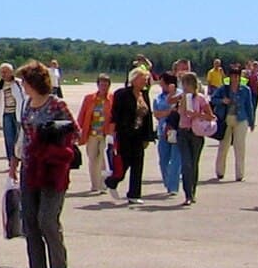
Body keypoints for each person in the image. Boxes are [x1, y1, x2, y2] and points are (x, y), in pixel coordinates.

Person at [10, 61, 74, 268]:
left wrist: (54, 132)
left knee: (47, 219)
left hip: (52, 170)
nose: (22, 85)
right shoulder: (27, 104)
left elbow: (75, 131)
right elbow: (23, 135)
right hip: (30, 167)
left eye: (25, 81)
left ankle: (59, 263)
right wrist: (14, 161)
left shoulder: (57, 104)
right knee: (30, 222)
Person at [110, 67, 155, 204]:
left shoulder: (144, 94)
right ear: (134, 79)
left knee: (138, 164)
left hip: (139, 135)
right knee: (124, 163)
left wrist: (148, 136)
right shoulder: (122, 94)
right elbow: (115, 114)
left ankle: (134, 194)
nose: (145, 82)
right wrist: (112, 133)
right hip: (125, 134)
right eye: (143, 79)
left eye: (146, 79)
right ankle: (111, 181)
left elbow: (148, 116)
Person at [173, 71, 212, 206]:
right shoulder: (182, 98)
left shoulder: (201, 98)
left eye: (188, 84)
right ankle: (187, 194)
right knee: (186, 163)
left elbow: (210, 116)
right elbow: (180, 113)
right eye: (183, 84)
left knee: (194, 163)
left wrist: (197, 114)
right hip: (183, 132)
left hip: (197, 133)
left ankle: (192, 191)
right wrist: (183, 100)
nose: (185, 86)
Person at [213, 62, 255, 181]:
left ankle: (240, 174)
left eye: (237, 75)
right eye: (233, 75)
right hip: (226, 119)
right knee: (224, 146)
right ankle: (220, 171)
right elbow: (213, 99)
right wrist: (222, 101)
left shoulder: (245, 90)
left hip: (241, 119)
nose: (235, 78)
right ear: (229, 76)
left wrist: (251, 121)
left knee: (239, 146)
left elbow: (249, 106)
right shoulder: (223, 88)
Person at [76, 75, 113, 194]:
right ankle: (95, 184)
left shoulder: (112, 98)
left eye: (106, 85)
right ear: (98, 85)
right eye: (101, 84)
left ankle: (103, 184)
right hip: (91, 133)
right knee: (93, 159)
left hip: (105, 134)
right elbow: (82, 115)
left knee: (103, 159)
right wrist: (77, 130)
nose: (104, 87)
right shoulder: (89, 98)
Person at [152, 72, 183, 196]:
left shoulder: (181, 94)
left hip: (177, 129)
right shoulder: (158, 98)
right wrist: (168, 111)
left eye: (162, 82)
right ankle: (167, 180)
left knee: (176, 159)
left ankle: (173, 186)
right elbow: (157, 114)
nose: (160, 84)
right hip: (163, 130)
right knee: (163, 159)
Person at [0, 63, 21, 160]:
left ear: (11, 72)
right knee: (9, 139)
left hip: (18, 114)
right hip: (6, 114)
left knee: (19, 138)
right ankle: (11, 159)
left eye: (5, 72)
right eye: (2, 72)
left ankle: (19, 157)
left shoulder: (19, 84)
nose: (3, 74)